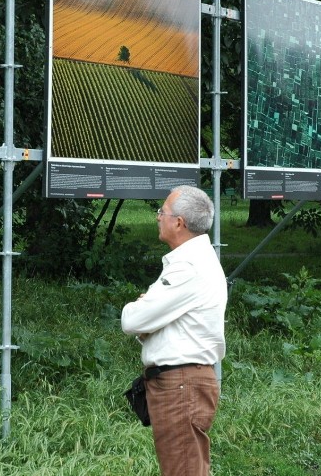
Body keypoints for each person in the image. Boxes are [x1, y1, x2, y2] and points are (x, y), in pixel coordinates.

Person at [121, 184, 227, 476]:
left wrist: (140, 309)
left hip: (181, 385)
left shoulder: (188, 267)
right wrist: (148, 319)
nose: (158, 217)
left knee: (183, 470)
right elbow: (151, 322)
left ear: (179, 223)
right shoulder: (193, 261)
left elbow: (133, 321)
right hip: (183, 382)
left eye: (162, 211)